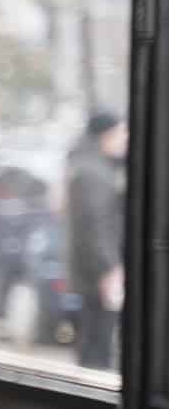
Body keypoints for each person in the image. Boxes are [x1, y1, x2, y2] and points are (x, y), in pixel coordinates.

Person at [65, 109, 127, 370]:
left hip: (93, 271)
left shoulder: (89, 166)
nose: (125, 139)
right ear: (106, 135)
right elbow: (95, 226)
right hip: (98, 274)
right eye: (122, 132)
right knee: (97, 344)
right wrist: (109, 269)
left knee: (94, 339)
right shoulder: (93, 173)